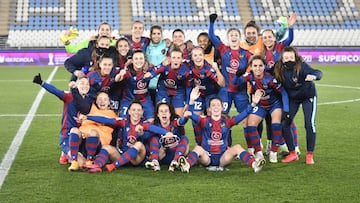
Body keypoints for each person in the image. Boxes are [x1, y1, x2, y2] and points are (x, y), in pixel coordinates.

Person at [177, 87, 266, 173]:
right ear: (209, 109)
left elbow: (243, 114)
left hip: (223, 157)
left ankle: (255, 164)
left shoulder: (228, 122)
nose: (216, 107)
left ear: (222, 108)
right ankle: (186, 165)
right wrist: (192, 101)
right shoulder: (204, 120)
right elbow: (191, 114)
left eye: (218, 105)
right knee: (197, 148)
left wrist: (253, 104)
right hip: (207, 157)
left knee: (237, 147)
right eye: (213, 105)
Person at [84, 100, 175, 173]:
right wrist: (88, 117)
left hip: (137, 159)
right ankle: (97, 165)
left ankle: (113, 166)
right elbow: (107, 120)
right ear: (129, 111)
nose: (136, 112)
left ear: (142, 112)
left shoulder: (144, 124)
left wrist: (166, 133)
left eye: (139, 110)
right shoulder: (123, 121)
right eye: (134, 110)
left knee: (139, 144)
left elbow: (155, 128)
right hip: (122, 155)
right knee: (106, 148)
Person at [233, 55, 289, 163]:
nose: (257, 68)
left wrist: (286, 109)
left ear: (264, 66)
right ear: (251, 67)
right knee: (250, 126)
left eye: (260, 65)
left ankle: (273, 152)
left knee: (276, 125)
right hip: (261, 105)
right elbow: (236, 82)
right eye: (255, 66)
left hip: (274, 104)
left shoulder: (270, 79)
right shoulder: (249, 76)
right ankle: (258, 152)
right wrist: (237, 75)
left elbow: (283, 92)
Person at [274, 46, 323, 164]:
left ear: (295, 57)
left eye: (291, 57)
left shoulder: (302, 66)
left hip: (308, 97)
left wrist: (314, 76)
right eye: (286, 58)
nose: (289, 59)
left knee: (309, 124)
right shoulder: (278, 68)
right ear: (282, 59)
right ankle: (292, 153)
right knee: (285, 123)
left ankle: (309, 155)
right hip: (293, 99)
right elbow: (266, 71)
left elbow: (318, 72)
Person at [32, 74, 92, 165]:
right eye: (82, 83)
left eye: (87, 84)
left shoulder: (89, 100)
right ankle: (65, 152)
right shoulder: (69, 96)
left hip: (82, 137)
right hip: (67, 136)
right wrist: (42, 83)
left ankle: (71, 154)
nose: (85, 86)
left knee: (88, 160)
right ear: (77, 85)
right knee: (81, 163)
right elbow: (56, 91)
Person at [67, 91, 117, 171]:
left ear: (108, 102)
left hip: (97, 144)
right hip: (83, 141)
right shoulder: (91, 109)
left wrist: (88, 117)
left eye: (105, 99)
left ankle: (90, 160)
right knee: (74, 130)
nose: (102, 101)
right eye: (100, 99)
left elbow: (103, 119)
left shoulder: (111, 114)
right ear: (96, 101)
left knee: (93, 132)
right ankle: (74, 161)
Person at [189, 46, 225, 145]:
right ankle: (200, 144)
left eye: (200, 55)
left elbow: (222, 84)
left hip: (211, 94)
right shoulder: (188, 65)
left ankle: (218, 143)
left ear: (204, 56)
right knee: (195, 119)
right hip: (199, 95)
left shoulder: (209, 69)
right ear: (191, 57)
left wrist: (217, 69)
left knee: (213, 119)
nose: (198, 57)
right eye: (195, 55)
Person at [145, 102, 190, 171]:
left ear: (170, 114)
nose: (164, 113)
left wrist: (186, 117)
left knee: (184, 138)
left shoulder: (174, 123)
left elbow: (181, 121)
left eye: (166, 111)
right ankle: (155, 163)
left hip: (176, 153)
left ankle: (174, 162)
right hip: (162, 156)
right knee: (154, 138)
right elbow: (146, 131)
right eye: (161, 111)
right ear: (158, 115)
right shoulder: (155, 125)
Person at [114, 50, 155, 122]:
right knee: (122, 121)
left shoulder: (149, 70)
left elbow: (160, 69)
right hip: (128, 100)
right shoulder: (127, 72)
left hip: (144, 100)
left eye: (141, 58)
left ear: (144, 60)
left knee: (151, 121)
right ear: (132, 61)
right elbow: (117, 79)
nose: (138, 61)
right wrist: (120, 75)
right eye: (136, 59)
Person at [154, 47, 191, 117]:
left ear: (182, 59)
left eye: (178, 58)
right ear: (170, 58)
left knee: (178, 116)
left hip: (179, 92)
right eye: (174, 58)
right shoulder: (164, 66)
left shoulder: (186, 71)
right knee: (162, 113)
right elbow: (152, 73)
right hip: (163, 90)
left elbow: (188, 87)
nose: (176, 60)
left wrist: (188, 101)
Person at [145, 25, 169, 106]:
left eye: (158, 33)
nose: (156, 36)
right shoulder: (147, 47)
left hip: (162, 80)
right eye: (154, 33)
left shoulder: (166, 44)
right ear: (150, 35)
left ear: (161, 35)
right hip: (150, 80)